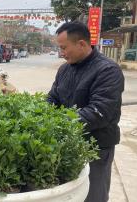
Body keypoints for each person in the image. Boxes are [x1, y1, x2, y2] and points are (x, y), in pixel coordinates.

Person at [47, 21, 124, 202]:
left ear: (81, 44)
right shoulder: (64, 69)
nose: (61, 53)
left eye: (64, 48)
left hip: (96, 146)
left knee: (94, 194)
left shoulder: (107, 70)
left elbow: (99, 112)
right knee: (71, 195)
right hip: (69, 143)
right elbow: (52, 98)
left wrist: (58, 123)